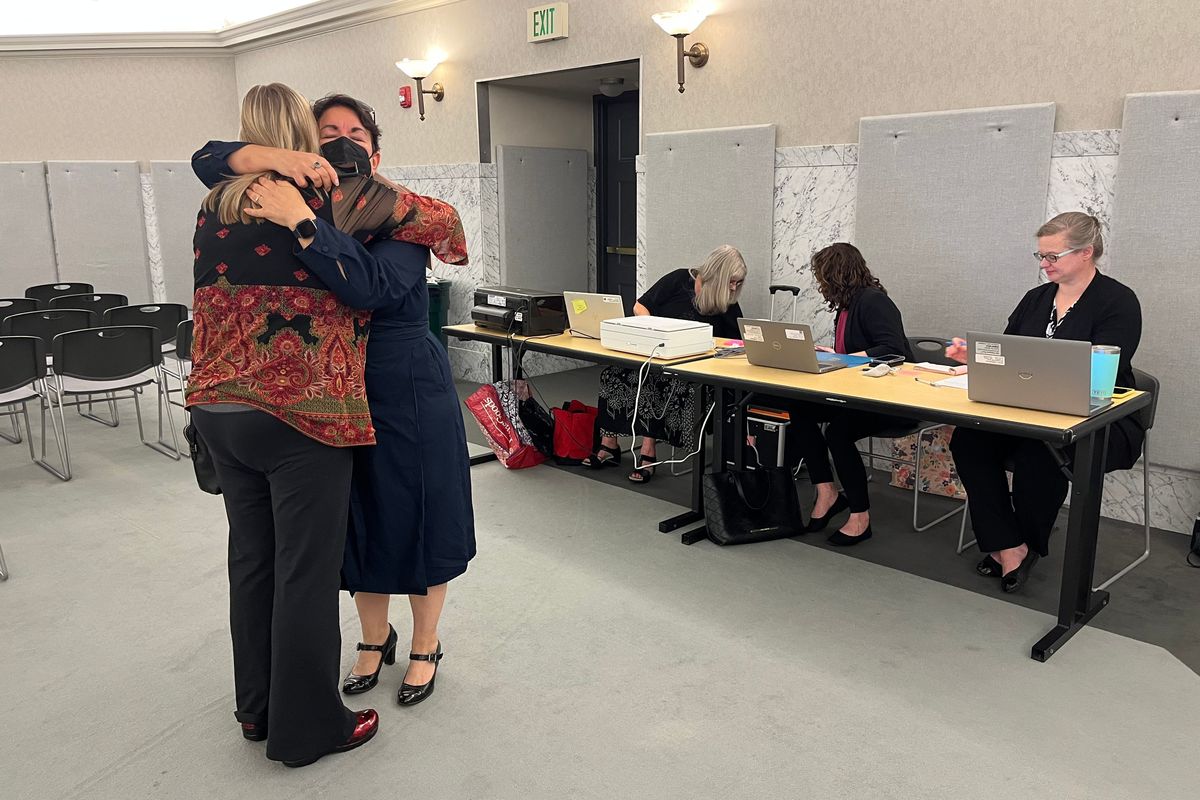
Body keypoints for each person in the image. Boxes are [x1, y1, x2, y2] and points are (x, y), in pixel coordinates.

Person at [192, 92, 474, 707]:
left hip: (403, 381)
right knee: (359, 518)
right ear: (304, 150)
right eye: (328, 133)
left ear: (375, 149)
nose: (343, 143)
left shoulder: (401, 214)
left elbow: (378, 288)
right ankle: (375, 638)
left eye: (355, 133)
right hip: (330, 390)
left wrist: (307, 222)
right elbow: (207, 159)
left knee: (420, 511)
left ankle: (426, 643)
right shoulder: (287, 202)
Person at [186, 83, 377, 768]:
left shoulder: (214, 206)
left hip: (218, 411)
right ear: (302, 135)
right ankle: (307, 729)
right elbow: (361, 287)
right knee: (304, 572)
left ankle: (258, 709)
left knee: (254, 562)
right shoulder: (306, 202)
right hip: (298, 416)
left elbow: (205, 158)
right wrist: (309, 214)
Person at [946, 212, 1143, 593]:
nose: (1044, 265)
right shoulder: (1035, 299)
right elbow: (1009, 354)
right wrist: (976, 357)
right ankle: (1008, 542)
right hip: (1025, 410)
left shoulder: (1117, 301)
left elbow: (1103, 372)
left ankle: (1024, 544)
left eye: (1053, 256)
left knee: (1044, 453)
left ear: (1086, 252)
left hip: (1099, 417)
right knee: (968, 442)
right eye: (1040, 256)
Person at [772, 243, 915, 546]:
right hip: (858, 393)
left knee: (838, 433)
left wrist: (846, 358)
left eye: (823, 279)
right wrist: (832, 354)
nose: (821, 286)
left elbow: (893, 349)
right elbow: (853, 352)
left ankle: (860, 517)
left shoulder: (874, 302)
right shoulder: (848, 305)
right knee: (798, 406)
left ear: (837, 276)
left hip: (892, 399)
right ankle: (827, 491)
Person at [582, 245, 747, 484]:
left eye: (738, 283)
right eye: (731, 281)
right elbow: (640, 306)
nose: (734, 288)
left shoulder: (726, 301)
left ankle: (648, 451)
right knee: (613, 374)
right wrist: (658, 332)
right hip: (655, 353)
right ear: (718, 274)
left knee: (658, 383)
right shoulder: (680, 279)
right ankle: (610, 444)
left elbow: (736, 341)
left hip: (691, 369)